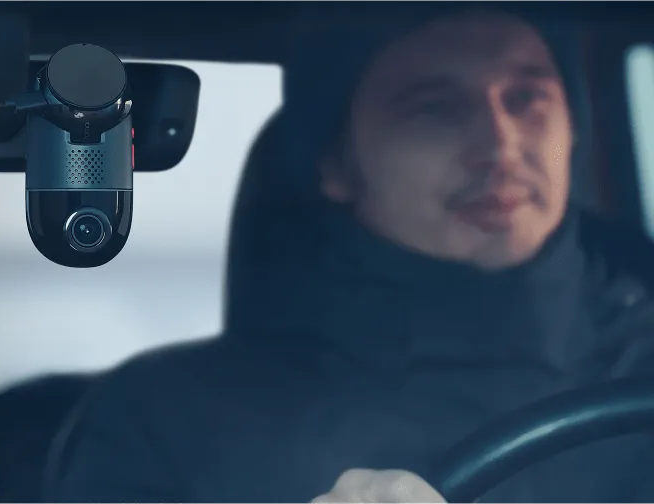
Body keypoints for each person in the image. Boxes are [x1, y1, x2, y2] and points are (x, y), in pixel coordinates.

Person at [45, 7, 653, 504]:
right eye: (434, 107)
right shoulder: (169, 424)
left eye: (526, 98)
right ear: (334, 162)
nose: (500, 144)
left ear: (574, 128)